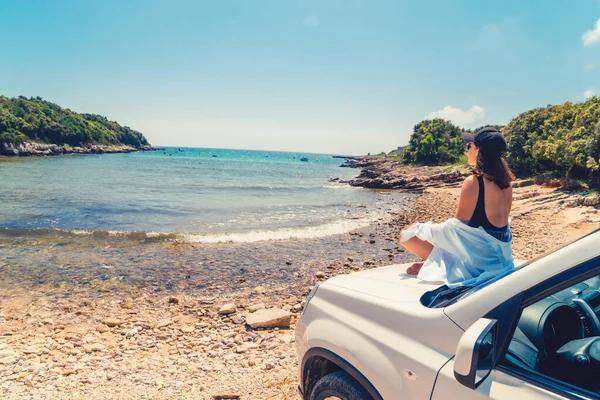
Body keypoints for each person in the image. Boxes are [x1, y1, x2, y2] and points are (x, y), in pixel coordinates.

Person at [399, 127, 516, 287]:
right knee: (445, 239)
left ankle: (431, 264)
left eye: (470, 146)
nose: (468, 151)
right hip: (500, 258)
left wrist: (423, 229)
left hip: (481, 263)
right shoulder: (507, 183)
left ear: (478, 149)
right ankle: (431, 264)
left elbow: (454, 230)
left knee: (407, 234)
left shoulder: (475, 182)